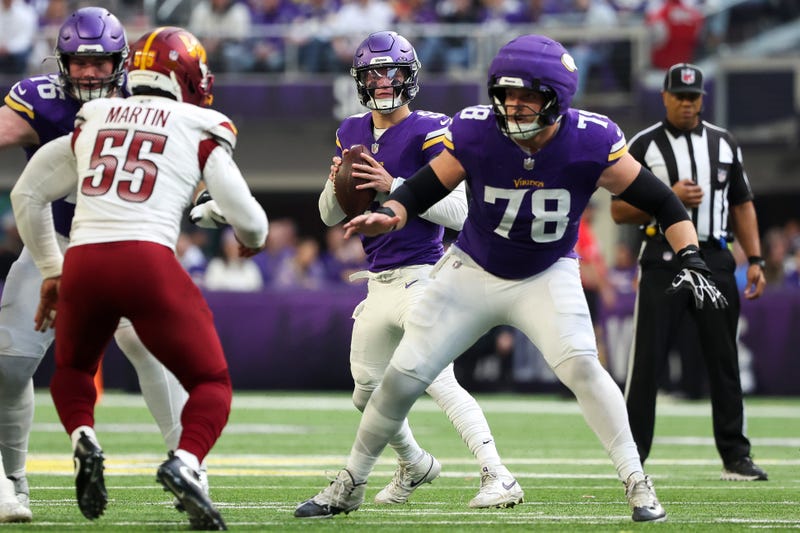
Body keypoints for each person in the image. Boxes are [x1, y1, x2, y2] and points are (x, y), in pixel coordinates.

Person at [295, 34, 729, 522]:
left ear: (556, 99)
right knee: (399, 378)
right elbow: (427, 186)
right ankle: (351, 483)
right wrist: (392, 212)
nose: (513, 105)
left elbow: (663, 201)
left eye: (527, 96)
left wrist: (690, 253)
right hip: (473, 268)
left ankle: (637, 481)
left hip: (547, 272)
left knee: (583, 367)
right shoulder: (476, 130)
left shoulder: (591, 138)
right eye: (505, 94)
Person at [10, 26, 269, 530]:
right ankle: (187, 462)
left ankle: (83, 437)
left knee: (74, 371)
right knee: (210, 381)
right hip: (147, 260)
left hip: (81, 260)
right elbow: (254, 221)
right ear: (190, 76)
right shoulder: (201, 122)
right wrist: (248, 236)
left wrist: (50, 269)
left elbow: (26, 194)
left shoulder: (94, 115)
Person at [0, 7, 195, 518]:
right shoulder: (40, 99)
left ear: (122, 62)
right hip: (57, 241)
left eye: (100, 62)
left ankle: (191, 469)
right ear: (61, 63)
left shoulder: (146, 97)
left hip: (126, 240)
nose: (88, 73)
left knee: (153, 350)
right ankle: (15, 482)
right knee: (9, 365)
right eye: (78, 63)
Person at [316, 30, 524, 508]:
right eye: (373, 73)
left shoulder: (431, 128)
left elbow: (461, 211)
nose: (383, 82)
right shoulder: (350, 131)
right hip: (377, 282)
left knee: (438, 378)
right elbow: (329, 214)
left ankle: (499, 475)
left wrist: (396, 186)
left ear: (408, 77)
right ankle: (414, 463)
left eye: (391, 72)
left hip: (422, 274)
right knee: (366, 388)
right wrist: (335, 184)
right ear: (360, 80)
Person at [612, 62, 768, 481]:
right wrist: (667, 198)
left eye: (693, 96)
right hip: (663, 258)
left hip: (716, 257)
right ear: (664, 96)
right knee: (647, 362)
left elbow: (742, 203)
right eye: (679, 96)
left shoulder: (724, 143)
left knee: (723, 358)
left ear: (703, 98)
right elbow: (618, 210)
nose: (687, 103)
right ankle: (634, 457)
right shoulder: (643, 144)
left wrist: (755, 260)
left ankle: (736, 455)